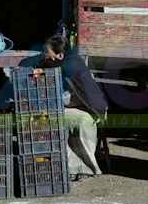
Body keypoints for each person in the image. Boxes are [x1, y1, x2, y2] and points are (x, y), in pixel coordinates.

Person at [22, 34, 109, 180]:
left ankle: (85, 168)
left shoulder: (69, 66)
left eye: (47, 52)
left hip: (91, 109)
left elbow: (63, 96)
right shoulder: (65, 61)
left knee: (75, 121)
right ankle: (69, 166)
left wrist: (39, 72)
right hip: (77, 104)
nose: (45, 55)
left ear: (60, 55)